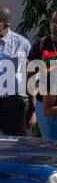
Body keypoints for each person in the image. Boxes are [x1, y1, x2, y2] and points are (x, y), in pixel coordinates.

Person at [30, 4, 57, 137]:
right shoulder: (41, 44)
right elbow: (30, 76)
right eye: (53, 21)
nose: (55, 25)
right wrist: (33, 106)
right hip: (44, 104)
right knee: (51, 143)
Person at [0, 7, 31, 136]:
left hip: (12, 102)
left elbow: (31, 74)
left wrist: (33, 108)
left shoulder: (21, 44)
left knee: (17, 142)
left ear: (6, 25)